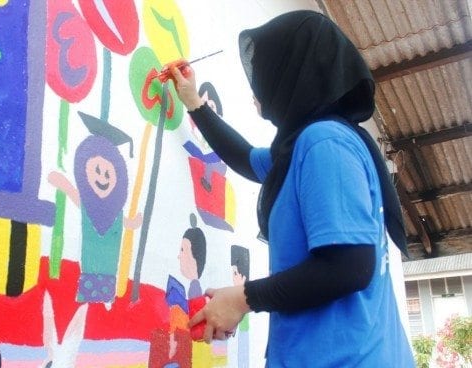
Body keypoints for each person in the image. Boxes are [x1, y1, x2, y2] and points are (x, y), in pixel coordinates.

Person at [169, 10, 415, 367]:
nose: (258, 84)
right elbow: (243, 157)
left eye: (266, 69)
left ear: (293, 73)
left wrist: (242, 299)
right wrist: (194, 103)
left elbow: (350, 266)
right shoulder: (301, 149)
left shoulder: (323, 142)